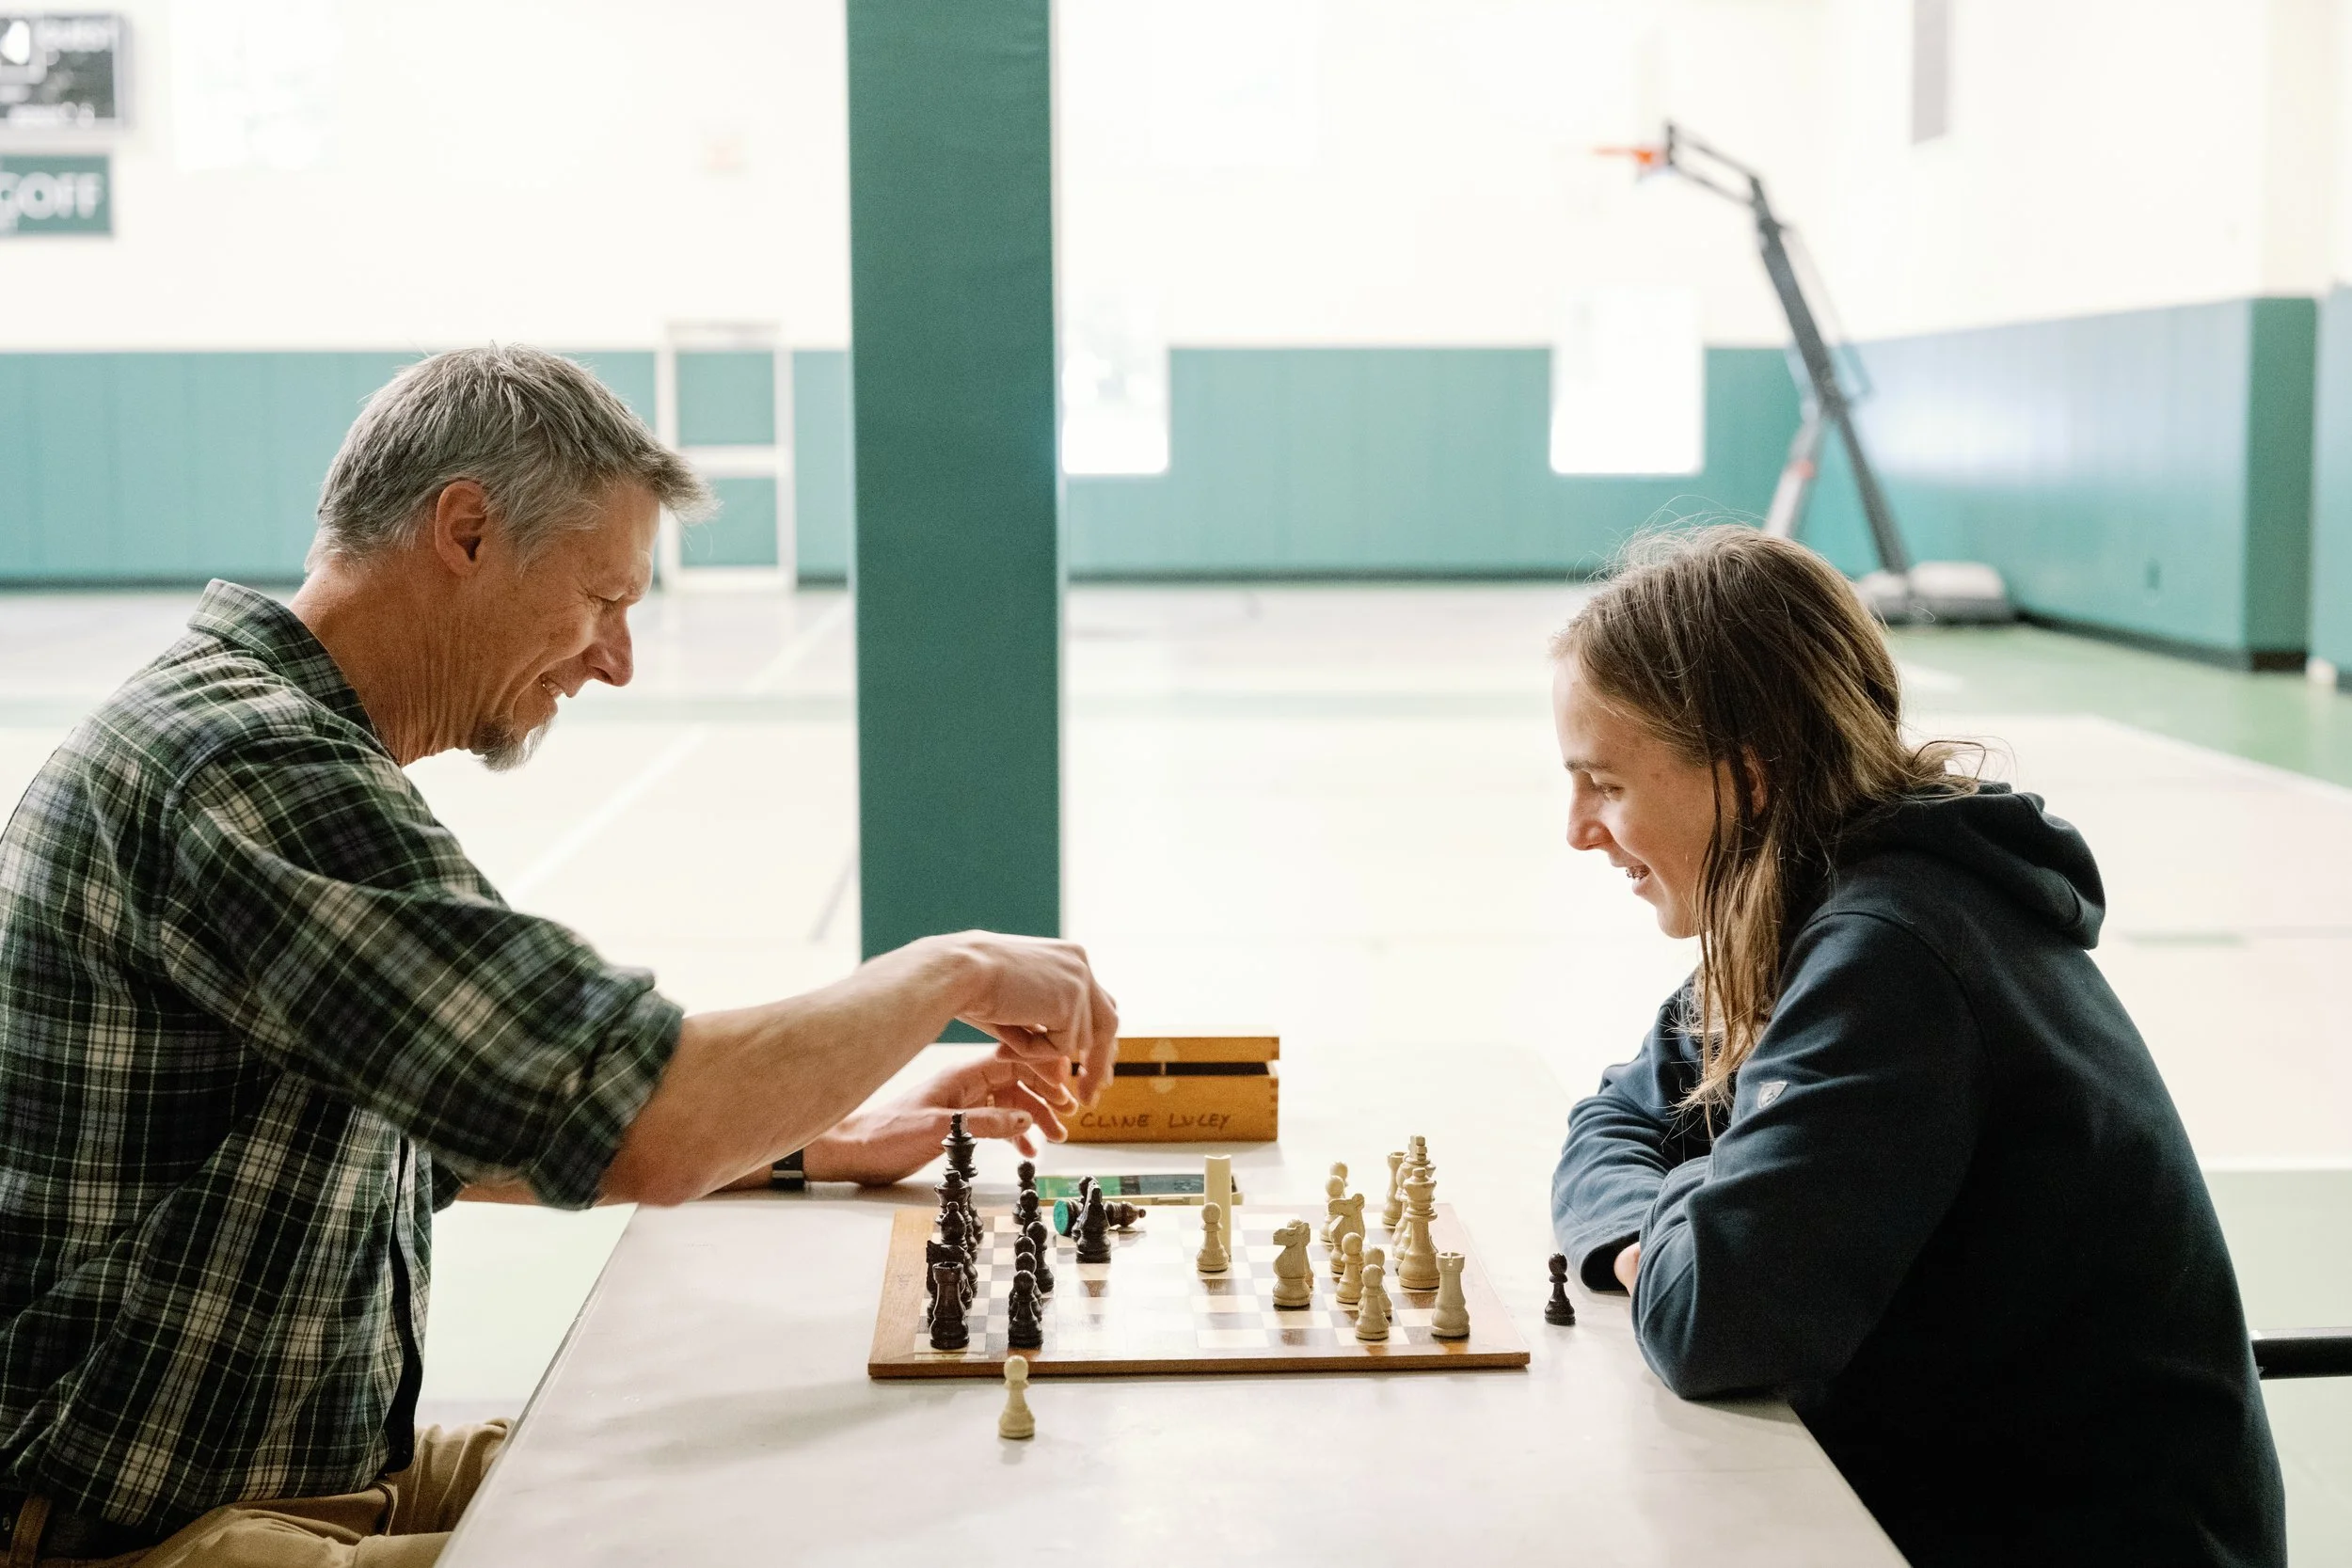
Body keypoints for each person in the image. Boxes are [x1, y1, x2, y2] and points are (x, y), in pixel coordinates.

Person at [0, 345, 1120, 1565]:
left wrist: (819, 1139)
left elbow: (452, 1128)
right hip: (133, 1525)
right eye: (604, 599)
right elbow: (643, 1115)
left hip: (301, 1463)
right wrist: (949, 970)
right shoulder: (248, 765)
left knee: (788, 1480)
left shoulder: (251, 732)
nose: (616, 658)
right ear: (467, 532)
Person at [1547, 527, 2283, 1567]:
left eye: (1606, 783)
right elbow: (1617, 1115)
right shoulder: (1813, 905)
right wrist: (1663, 1220)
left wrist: (1690, 1208)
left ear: (1748, 777)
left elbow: (1717, 1317)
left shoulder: (1893, 949)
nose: (1576, 827)